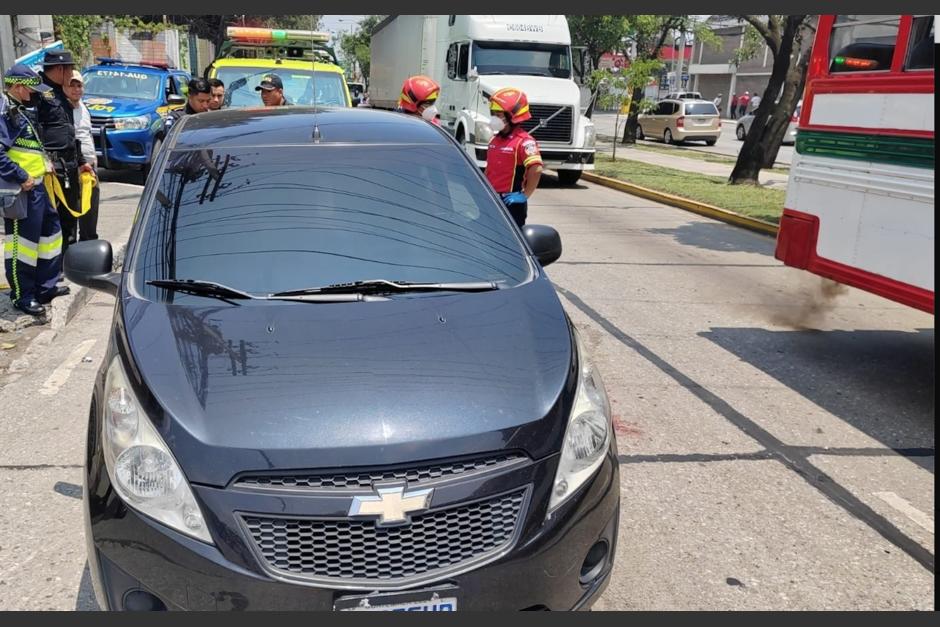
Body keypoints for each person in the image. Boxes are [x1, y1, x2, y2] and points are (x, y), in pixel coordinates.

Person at [1, 64, 67, 316]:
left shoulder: (19, 109)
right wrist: (21, 176)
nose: (33, 94)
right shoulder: (5, 112)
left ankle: (45, 287)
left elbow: (25, 146)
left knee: (50, 236)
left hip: (38, 186)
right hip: (22, 190)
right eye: (29, 89)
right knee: (23, 245)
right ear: (18, 87)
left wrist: (44, 164)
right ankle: (22, 295)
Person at [38, 50, 93, 254]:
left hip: (68, 167)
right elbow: (34, 131)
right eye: (70, 69)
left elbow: (70, 132)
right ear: (61, 69)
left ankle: (67, 264)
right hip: (51, 170)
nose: (72, 74)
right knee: (53, 220)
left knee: (70, 218)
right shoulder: (38, 92)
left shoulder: (60, 93)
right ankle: (54, 268)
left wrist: (81, 161)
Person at [484, 87, 543, 229]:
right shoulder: (495, 139)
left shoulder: (524, 141)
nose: (494, 117)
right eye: (494, 113)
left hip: (511, 203)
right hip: (492, 200)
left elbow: (536, 169)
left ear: (512, 116)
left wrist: (524, 195)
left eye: (499, 114)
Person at [63, 70, 98, 242]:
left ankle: (89, 249)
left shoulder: (83, 107)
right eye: (72, 85)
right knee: (74, 211)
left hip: (90, 167)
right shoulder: (63, 110)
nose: (76, 90)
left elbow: (87, 134)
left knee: (90, 215)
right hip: (74, 167)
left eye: (79, 85)